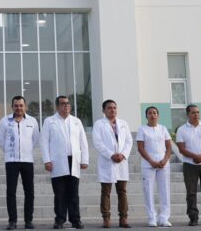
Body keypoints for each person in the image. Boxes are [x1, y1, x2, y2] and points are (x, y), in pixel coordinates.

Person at [40, 95, 89, 230]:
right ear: (57, 106)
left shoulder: (76, 121)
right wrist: (47, 160)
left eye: (67, 103)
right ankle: (60, 220)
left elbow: (83, 141)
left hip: (73, 160)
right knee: (60, 193)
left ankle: (75, 220)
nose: (66, 106)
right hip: (57, 161)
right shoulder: (49, 121)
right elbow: (44, 142)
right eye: (62, 103)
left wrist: (84, 159)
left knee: (74, 193)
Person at [0, 96, 41, 230]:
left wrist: (26, 150)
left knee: (29, 192)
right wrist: (10, 151)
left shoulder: (32, 121)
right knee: (11, 191)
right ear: (12, 107)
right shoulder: (5, 121)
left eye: (21, 105)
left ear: (25, 106)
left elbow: (35, 139)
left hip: (27, 160)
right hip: (11, 161)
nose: (19, 108)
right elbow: (0, 140)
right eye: (16, 105)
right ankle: (12, 221)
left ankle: (28, 220)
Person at [93, 99, 133, 229]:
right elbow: (97, 142)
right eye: (109, 108)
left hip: (121, 161)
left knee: (122, 191)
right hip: (107, 161)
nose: (112, 110)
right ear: (104, 110)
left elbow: (129, 141)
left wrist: (123, 155)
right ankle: (106, 218)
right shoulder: (99, 124)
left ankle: (123, 218)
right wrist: (111, 154)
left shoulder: (123, 123)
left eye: (114, 108)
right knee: (106, 191)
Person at [176, 104, 201, 227]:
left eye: (198, 112)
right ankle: (193, 218)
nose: (196, 115)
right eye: (193, 112)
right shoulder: (182, 129)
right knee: (191, 192)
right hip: (190, 164)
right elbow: (181, 148)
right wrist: (195, 156)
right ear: (188, 114)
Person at [136, 106, 172, 227]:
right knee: (148, 190)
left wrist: (165, 160)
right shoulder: (142, 129)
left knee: (165, 190)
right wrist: (151, 161)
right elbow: (140, 148)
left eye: (155, 113)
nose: (152, 115)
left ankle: (164, 218)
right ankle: (152, 217)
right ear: (146, 116)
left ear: (158, 115)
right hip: (148, 164)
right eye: (150, 113)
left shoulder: (163, 128)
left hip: (163, 164)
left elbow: (169, 147)